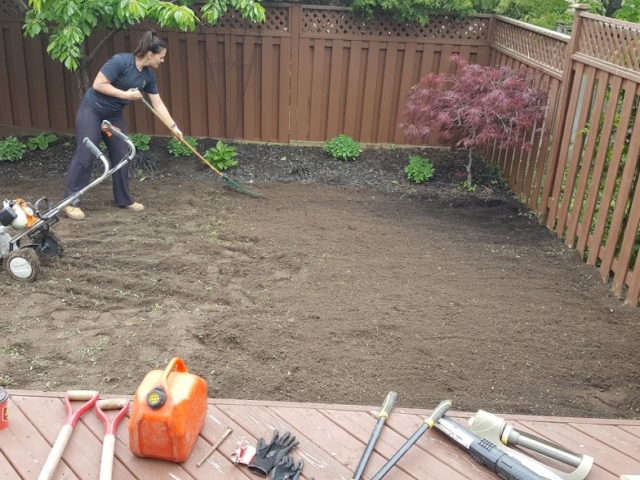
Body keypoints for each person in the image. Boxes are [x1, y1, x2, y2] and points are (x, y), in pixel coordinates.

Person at [63, 30, 183, 220]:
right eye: (161, 57)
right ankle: (71, 201)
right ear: (150, 55)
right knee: (87, 152)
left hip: (113, 116)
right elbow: (99, 84)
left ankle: (123, 199)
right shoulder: (120, 62)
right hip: (92, 111)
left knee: (122, 154)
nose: (162, 60)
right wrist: (127, 95)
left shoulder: (149, 76)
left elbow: (157, 103)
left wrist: (173, 127)